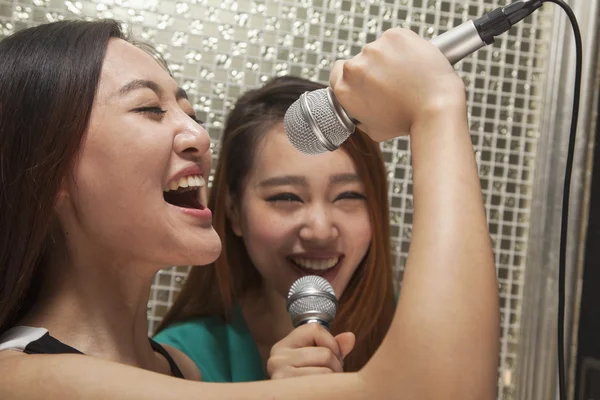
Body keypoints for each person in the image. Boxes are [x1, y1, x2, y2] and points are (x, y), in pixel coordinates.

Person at [0, 19, 500, 400]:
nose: (198, 137)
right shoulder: (17, 378)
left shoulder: (180, 371)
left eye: (190, 113)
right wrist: (433, 108)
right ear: (48, 169)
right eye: (149, 109)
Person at [153, 75, 396, 381]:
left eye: (349, 195)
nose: (320, 231)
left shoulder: (422, 328)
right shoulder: (181, 363)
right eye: (286, 197)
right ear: (234, 212)